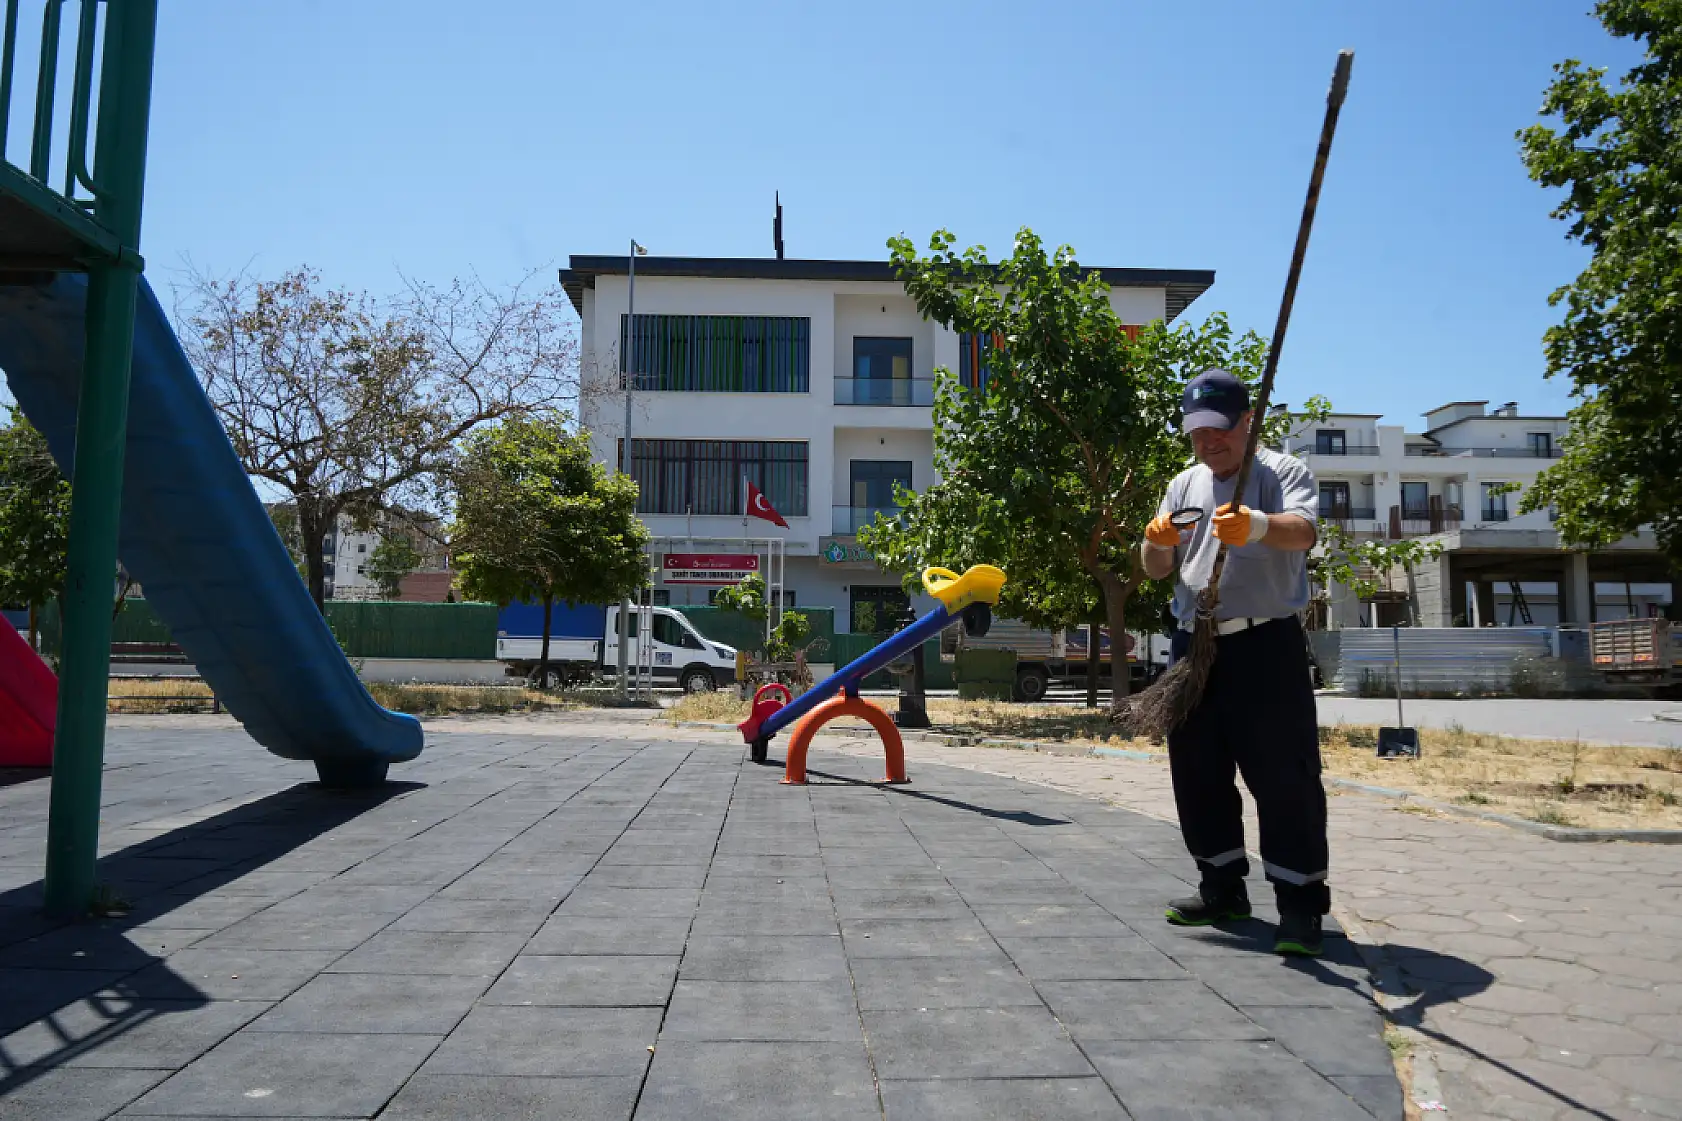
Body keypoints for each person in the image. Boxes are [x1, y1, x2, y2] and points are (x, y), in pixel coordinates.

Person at [1141, 367, 1329, 956]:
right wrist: (1154, 543)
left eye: (1219, 429)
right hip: (1193, 645)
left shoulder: (1283, 472)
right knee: (1196, 770)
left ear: (1249, 421)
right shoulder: (1183, 484)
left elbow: (1303, 532)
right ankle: (1221, 886)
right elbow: (1156, 568)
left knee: (1283, 775)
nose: (1208, 442)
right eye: (1197, 432)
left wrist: (1258, 525)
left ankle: (1299, 906)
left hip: (1264, 644)